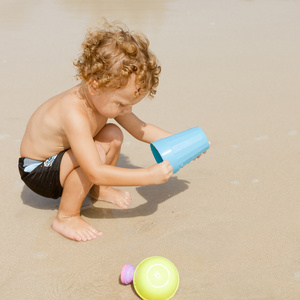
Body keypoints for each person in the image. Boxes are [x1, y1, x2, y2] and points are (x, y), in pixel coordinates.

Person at [18, 21, 198, 242]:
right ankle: (66, 216)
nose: (127, 110)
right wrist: (147, 176)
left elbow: (142, 130)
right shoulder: (73, 111)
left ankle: (99, 189)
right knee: (95, 155)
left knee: (113, 134)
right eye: (122, 104)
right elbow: (93, 169)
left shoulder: (105, 97)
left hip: (62, 159)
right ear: (95, 86)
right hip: (38, 170)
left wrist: (181, 143)